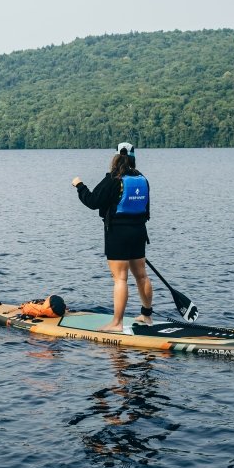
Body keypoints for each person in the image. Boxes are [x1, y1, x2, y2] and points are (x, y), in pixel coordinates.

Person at [71, 142, 153, 332]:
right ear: (133, 159)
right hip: (139, 232)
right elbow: (147, 211)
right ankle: (147, 315)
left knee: (120, 279)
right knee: (142, 276)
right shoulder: (143, 180)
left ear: (115, 158)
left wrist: (79, 185)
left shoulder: (113, 179)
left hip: (118, 234)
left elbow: (92, 201)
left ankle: (117, 323)